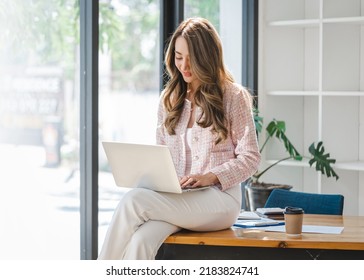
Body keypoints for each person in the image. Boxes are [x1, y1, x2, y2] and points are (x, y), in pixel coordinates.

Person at [98, 17, 260, 260]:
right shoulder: (170, 98)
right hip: (178, 199)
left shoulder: (233, 96)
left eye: (191, 58)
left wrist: (212, 176)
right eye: (178, 56)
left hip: (220, 200)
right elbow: (161, 156)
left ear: (207, 56)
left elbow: (251, 158)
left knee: (134, 201)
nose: (184, 65)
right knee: (141, 240)